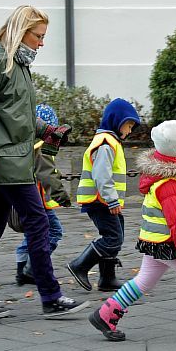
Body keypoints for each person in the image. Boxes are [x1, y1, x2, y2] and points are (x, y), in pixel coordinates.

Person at [0, 4, 88, 319]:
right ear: (22, 31)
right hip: (6, 163)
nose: (42, 43)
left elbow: (19, 117)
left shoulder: (18, 65)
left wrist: (48, 131)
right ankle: (51, 296)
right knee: (38, 221)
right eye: (38, 36)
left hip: (12, 159)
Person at [88, 120, 176, 341]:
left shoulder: (172, 177)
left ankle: (105, 314)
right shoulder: (171, 183)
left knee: (145, 280)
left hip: (154, 240)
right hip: (168, 242)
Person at [66, 98, 141, 292]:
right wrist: (111, 199)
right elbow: (101, 175)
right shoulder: (106, 143)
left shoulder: (110, 141)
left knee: (117, 233)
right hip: (100, 201)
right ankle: (80, 265)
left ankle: (107, 278)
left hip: (104, 200)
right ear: (118, 120)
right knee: (113, 237)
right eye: (129, 125)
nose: (130, 130)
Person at [15, 103, 72, 286]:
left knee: (31, 233)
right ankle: (31, 270)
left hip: (26, 198)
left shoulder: (27, 144)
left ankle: (21, 269)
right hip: (38, 200)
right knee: (54, 232)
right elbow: (46, 173)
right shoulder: (42, 146)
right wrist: (61, 195)